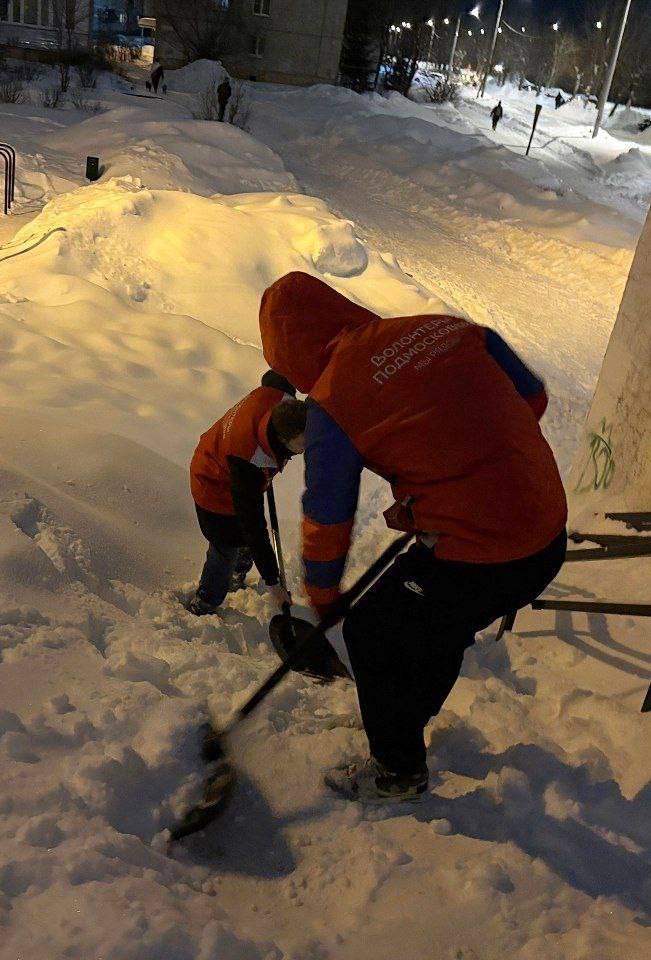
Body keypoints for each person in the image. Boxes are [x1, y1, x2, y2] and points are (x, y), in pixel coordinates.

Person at [259, 272, 567, 802]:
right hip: (548, 527)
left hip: (489, 553)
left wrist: (324, 595)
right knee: (438, 629)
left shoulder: (332, 401)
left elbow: (328, 512)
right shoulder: (443, 328)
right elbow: (532, 398)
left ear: (291, 354)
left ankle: (397, 770)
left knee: (370, 632)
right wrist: (452, 470)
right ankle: (402, 719)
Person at [186, 371, 306, 616]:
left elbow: (273, 375)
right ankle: (206, 600)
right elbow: (254, 527)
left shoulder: (282, 396)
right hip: (212, 483)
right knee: (226, 545)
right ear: (283, 439)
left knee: (244, 536)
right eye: (302, 444)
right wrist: (274, 583)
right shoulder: (248, 463)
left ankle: (239, 570)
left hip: (233, 466)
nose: (307, 448)